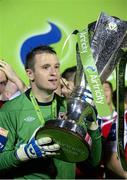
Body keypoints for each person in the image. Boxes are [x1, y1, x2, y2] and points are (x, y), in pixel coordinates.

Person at [0, 45, 102, 179]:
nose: (54, 72)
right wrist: (23, 153)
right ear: (30, 74)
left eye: (56, 66)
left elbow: (93, 162)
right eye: (45, 67)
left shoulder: (70, 108)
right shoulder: (11, 110)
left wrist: (93, 125)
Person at [101, 81, 127, 178]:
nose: (103, 93)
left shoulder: (120, 116)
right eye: (100, 90)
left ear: (112, 92)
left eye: (106, 89)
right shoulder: (95, 120)